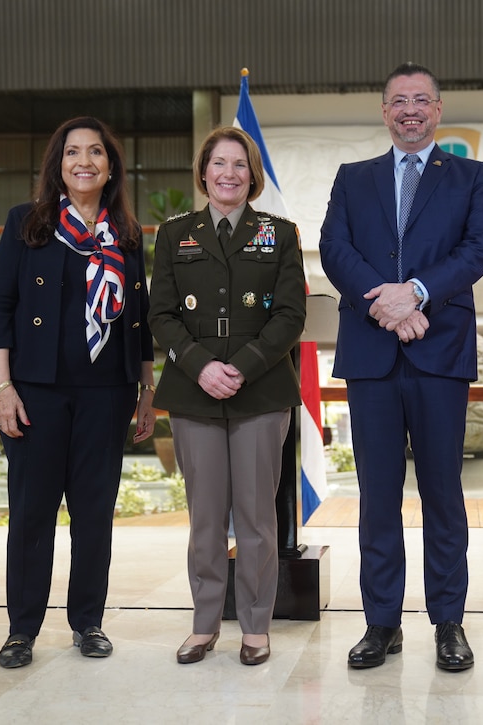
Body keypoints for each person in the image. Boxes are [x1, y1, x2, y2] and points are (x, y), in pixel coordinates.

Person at [320, 62, 483, 672]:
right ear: (384, 111)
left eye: (421, 100)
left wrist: (416, 293)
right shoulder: (352, 178)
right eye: (399, 100)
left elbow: (477, 249)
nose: (410, 109)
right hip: (372, 358)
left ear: (439, 109)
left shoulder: (471, 176)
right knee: (376, 496)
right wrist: (387, 302)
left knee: (443, 494)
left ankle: (449, 623)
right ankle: (381, 624)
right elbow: (334, 249)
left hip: (439, 352)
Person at [0, 116, 157, 669]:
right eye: (72, 153)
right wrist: (2, 388)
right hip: (36, 394)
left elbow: (141, 319)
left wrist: (147, 390)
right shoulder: (26, 224)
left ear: (110, 168)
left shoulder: (126, 236)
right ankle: (21, 631)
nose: (84, 161)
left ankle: (88, 621)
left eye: (96, 153)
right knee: (32, 515)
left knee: (94, 514)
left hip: (107, 393)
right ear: (58, 165)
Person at [149, 126, 306, 667]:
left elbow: (290, 316)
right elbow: (161, 315)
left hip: (260, 393)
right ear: (204, 172)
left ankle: (256, 627)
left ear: (252, 175)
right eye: (219, 163)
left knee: (259, 517)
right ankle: (204, 624)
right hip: (195, 395)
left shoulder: (280, 234)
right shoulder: (175, 234)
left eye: (239, 164)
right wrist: (201, 367)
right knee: (205, 518)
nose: (229, 173)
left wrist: (237, 368)